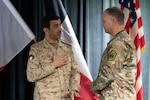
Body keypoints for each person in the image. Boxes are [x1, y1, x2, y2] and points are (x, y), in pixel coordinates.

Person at [26, 15, 80, 100]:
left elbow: (75, 71)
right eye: (55, 26)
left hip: (65, 97)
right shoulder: (36, 49)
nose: (60, 29)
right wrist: (53, 65)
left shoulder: (67, 48)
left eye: (59, 25)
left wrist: (74, 88)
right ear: (46, 30)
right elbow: (31, 76)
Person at [90, 7, 136, 100]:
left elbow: (108, 74)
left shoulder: (118, 44)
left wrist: (91, 87)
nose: (102, 24)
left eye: (104, 21)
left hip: (117, 96)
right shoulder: (123, 40)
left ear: (113, 21)